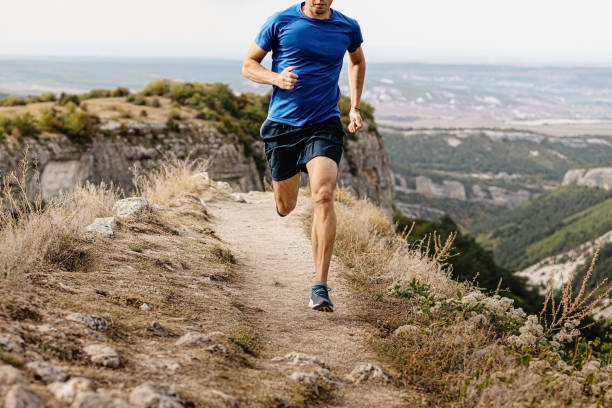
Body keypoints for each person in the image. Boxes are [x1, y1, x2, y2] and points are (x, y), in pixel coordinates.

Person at [242, 1, 366, 312]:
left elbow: (357, 61)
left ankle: (320, 286)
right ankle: (285, 192)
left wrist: (354, 106)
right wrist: (275, 78)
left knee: (323, 195)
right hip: (283, 126)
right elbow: (249, 64)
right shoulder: (281, 21)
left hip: (323, 123)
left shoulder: (347, 26)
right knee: (287, 206)